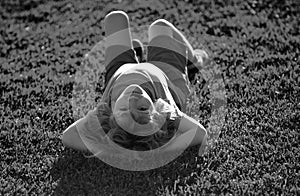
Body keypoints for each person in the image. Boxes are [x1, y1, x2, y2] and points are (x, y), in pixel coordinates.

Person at [62, 11, 209, 158]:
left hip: (121, 70)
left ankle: (134, 55)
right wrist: (159, 151)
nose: (132, 99)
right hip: (166, 75)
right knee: (160, 26)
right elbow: (199, 133)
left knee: (115, 18)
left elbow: (68, 136)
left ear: (112, 112)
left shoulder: (106, 113)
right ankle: (194, 61)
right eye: (142, 108)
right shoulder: (165, 110)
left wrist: (108, 151)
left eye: (124, 109)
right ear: (155, 114)